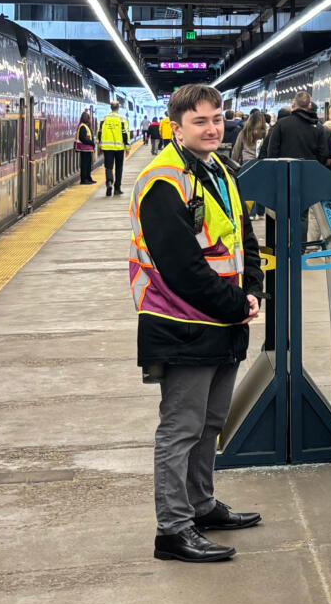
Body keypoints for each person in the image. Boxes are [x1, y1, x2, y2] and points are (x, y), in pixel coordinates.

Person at [129, 84, 265, 564]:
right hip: (181, 322)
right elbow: (181, 266)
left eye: (218, 118)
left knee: (210, 423)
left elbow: (243, 239)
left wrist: (254, 290)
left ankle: (201, 506)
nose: (213, 128)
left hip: (221, 321)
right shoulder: (163, 181)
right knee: (181, 428)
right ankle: (172, 530)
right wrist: (237, 303)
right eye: (200, 121)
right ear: (175, 127)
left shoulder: (219, 169)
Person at [262, 89, 331, 166]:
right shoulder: (318, 127)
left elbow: (272, 150)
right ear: (309, 105)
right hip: (310, 172)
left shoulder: (281, 123)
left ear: (294, 104)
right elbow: (323, 153)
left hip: (285, 171)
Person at [97, 101, 129, 195]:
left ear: (110, 108)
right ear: (118, 108)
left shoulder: (104, 119)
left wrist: (100, 144)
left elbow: (99, 132)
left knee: (108, 167)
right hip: (119, 148)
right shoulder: (122, 119)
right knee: (119, 167)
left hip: (107, 148)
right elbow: (125, 133)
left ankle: (109, 183)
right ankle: (117, 188)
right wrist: (127, 147)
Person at [75, 108, 96, 184]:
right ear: (86, 119)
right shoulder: (83, 127)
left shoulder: (85, 126)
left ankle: (88, 178)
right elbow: (82, 138)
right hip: (84, 149)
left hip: (87, 149)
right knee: (85, 165)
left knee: (88, 164)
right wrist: (91, 143)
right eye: (89, 118)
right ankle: (84, 180)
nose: (90, 120)